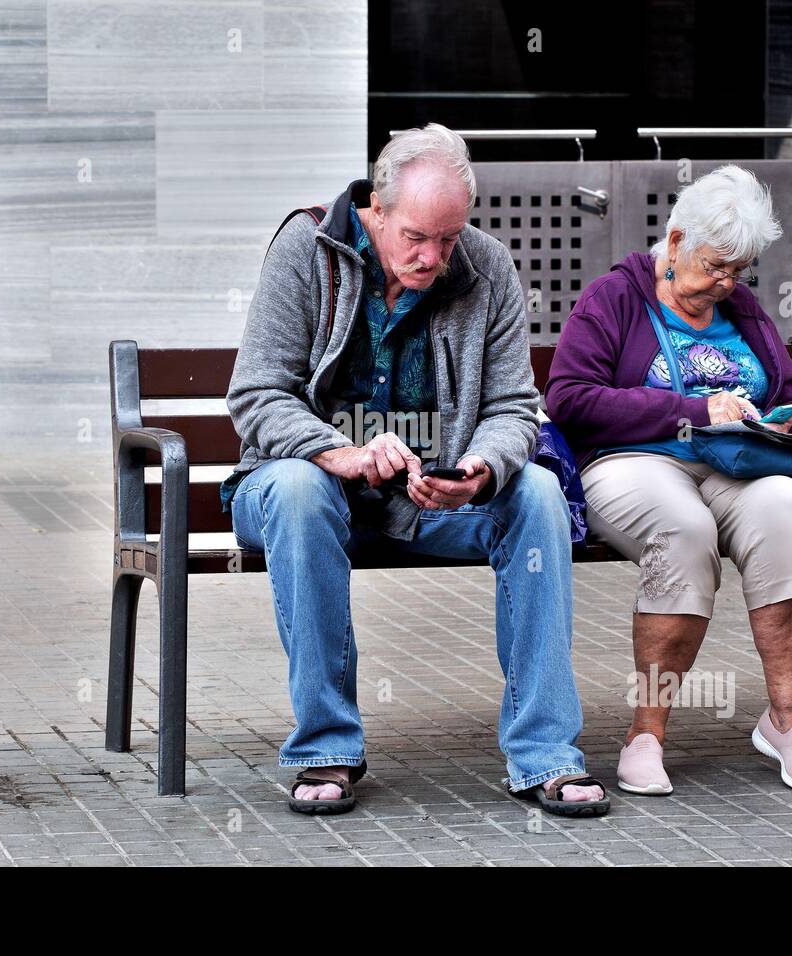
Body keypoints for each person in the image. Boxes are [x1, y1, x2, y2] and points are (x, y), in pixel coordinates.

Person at [223, 124, 608, 816]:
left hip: (429, 501)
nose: (432, 257)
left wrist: (481, 469)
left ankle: (546, 752)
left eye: (449, 239)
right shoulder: (304, 251)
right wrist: (335, 453)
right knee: (301, 488)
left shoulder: (488, 268)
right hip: (303, 493)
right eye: (416, 237)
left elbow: (517, 407)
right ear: (378, 205)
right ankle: (327, 748)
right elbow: (256, 394)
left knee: (540, 494)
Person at [545, 165, 792, 795]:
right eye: (715, 267)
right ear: (674, 242)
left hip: (738, 463)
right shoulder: (614, 297)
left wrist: (787, 424)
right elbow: (568, 397)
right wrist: (698, 410)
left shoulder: (742, 307)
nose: (726, 284)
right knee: (684, 531)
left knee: (788, 511)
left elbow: (791, 395)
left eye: (739, 271)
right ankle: (646, 735)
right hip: (633, 463)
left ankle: (788, 718)